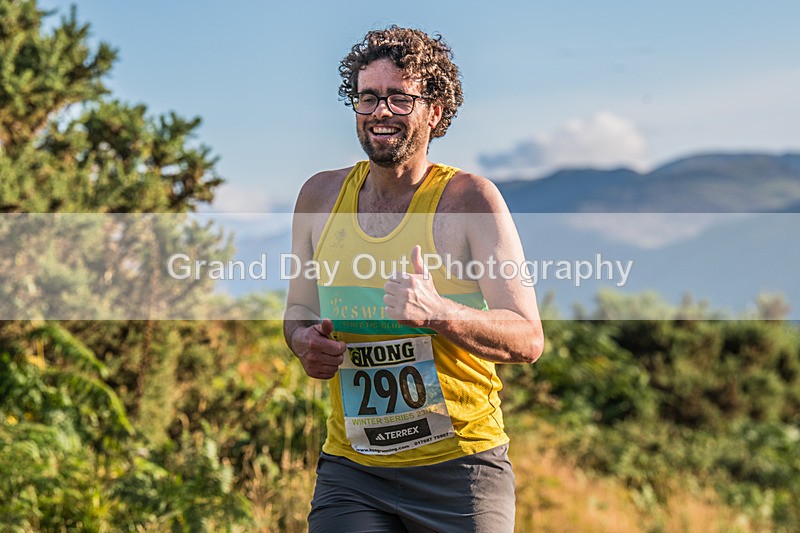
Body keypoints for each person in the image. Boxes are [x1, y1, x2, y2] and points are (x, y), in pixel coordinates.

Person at [283, 26, 544, 533]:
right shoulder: (318, 198)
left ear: (436, 111)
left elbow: (528, 337)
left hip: (461, 470)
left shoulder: (471, 201)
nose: (380, 111)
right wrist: (302, 342)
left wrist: (439, 312)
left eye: (400, 99)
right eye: (367, 97)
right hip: (353, 469)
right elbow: (298, 311)